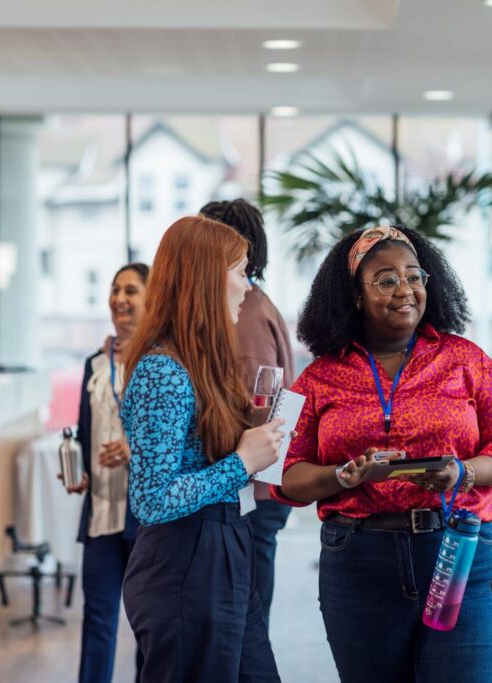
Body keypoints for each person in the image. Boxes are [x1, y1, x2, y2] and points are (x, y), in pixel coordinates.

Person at [271, 226, 492, 683]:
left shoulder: (466, 359)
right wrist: (344, 476)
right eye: (385, 279)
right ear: (355, 295)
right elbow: (284, 473)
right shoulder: (319, 377)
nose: (405, 289)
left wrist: (463, 472)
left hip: (458, 550)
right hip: (359, 560)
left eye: (413, 276)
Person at [120, 215, 285, 683]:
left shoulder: (200, 365)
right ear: (207, 281)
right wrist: (241, 463)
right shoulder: (162, 372)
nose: (248, 288)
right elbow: (152, 499)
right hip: (184, 564)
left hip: (222, 551)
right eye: (240, 273)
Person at [199, 198, 294, 627]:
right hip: (248, 484)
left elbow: (255, 407)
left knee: (243, 626)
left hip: (249, 489)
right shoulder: (251, 305)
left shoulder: (245, 313)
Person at [66, 262, 149, 683]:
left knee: (146, 626)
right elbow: (85, 430)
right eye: (115, 289)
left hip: (144, 512)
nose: (120, 299)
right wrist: (79, 468)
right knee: (96, 618)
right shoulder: (94, 364)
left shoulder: (161, 364)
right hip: (100, 508)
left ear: (151, 299)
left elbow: (177, 434)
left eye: (131, 290)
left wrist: (134, 450)